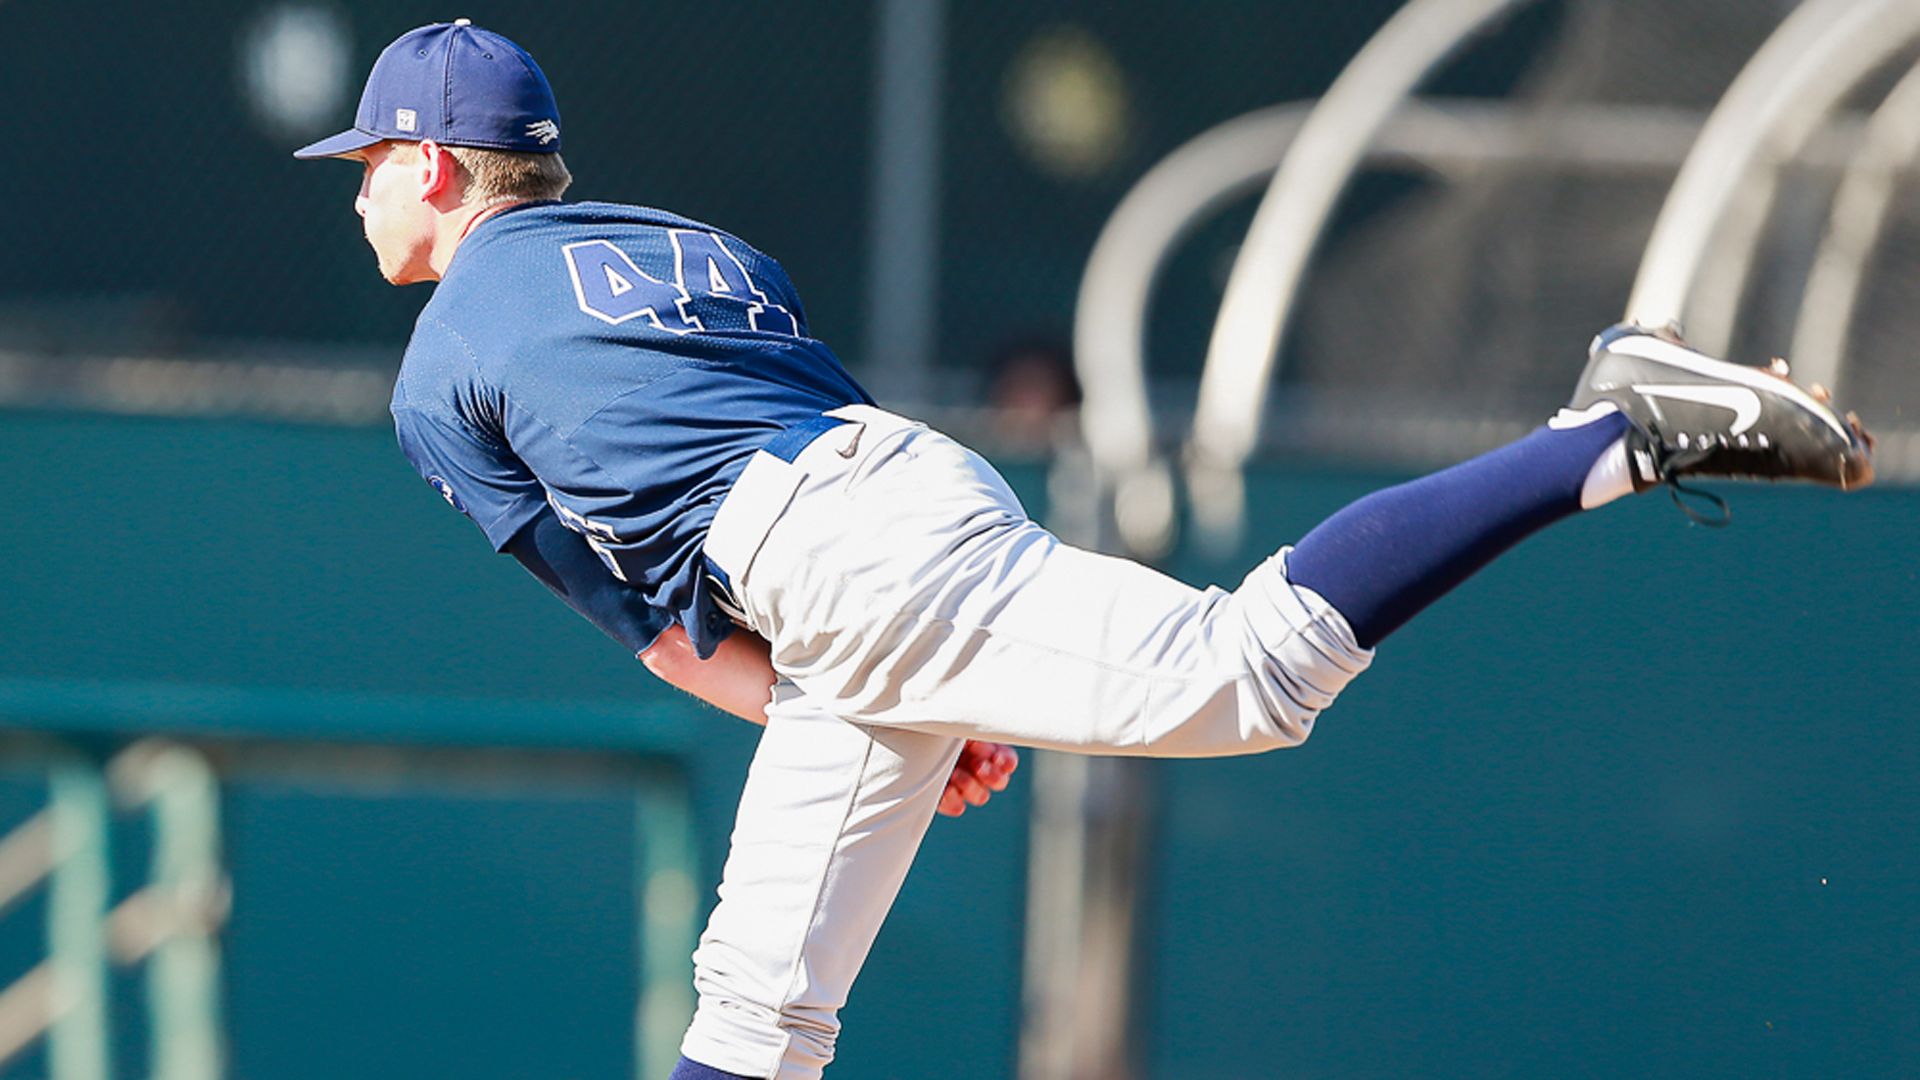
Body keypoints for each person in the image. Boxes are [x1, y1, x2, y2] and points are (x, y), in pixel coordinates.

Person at [296, 22, 1873, 1080]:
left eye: (370, 162)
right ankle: (1614, 430)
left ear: (435, 167)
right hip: (886, 504)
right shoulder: (689, 244)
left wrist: (896, 667)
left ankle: (1612, 431)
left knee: (1246, 672)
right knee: (759, 1012)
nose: (359, 193)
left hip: (829, 563)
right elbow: (816, 465)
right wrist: (926, 692)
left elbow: (650, 631)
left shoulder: (441, 368)